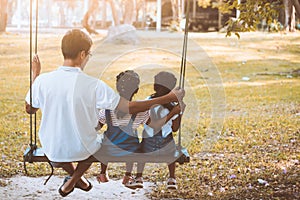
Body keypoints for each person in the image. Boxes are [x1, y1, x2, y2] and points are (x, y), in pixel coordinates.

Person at [25, 29, 184, 197]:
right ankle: (75, 179)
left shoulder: (43, 81)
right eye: (89, 55)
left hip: (52, 149)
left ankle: (78, 180)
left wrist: (35, 76)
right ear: (82, 54)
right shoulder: (93, 85)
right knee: (98, 142)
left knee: (76, 141)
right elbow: (128, 108)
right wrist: (167, 97)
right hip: (82, 150)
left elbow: (30, 109)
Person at [95, 70, 184, 189]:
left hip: (109, 151)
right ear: (136, 90)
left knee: (104, 140)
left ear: (117, 87)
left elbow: (96, 128)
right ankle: (128, 175)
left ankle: (103, 173)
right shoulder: (140, 111)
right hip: (130, 151)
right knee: (133, 144)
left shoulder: (107, 109)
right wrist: (175, 112)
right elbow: (156, 126)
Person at [133, 71, 184, 190]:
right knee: (171, 149)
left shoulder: (147, 101)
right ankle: (172, 178)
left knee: (141, 151)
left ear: (155, 86)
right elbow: (175, 129)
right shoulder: (173, 106)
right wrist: (178, 112)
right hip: (166, 146)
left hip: (148, 146)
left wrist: (178, 111)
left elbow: (150, 125)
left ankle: (138, 177)